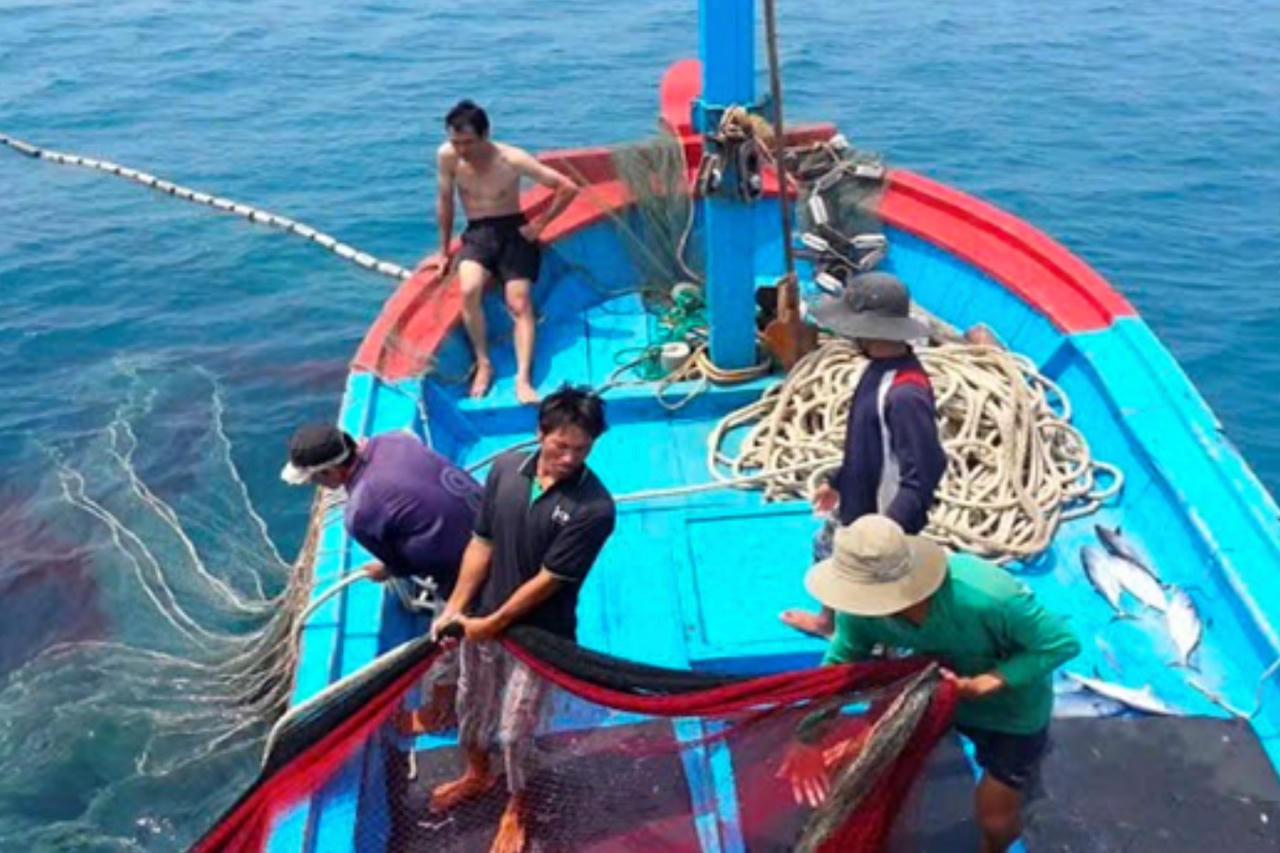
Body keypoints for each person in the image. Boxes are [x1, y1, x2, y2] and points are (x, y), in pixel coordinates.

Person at [779, 514, 1080, 853]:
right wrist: (808, 734)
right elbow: (841, 663)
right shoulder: (858, 609)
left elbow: (1061, 643)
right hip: (932, 695)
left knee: (995, 819)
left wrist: (983, 684)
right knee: (851, 758)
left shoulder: (988, 596)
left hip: (1010, 713)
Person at [429, 385, 616, 853]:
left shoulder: (594, 508)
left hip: (539, 636)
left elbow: (549, 581)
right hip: (481, 621)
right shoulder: (505, 470)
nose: (570, 458)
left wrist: (491, 623)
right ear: (539, 433)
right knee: (471, 709)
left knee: (515, 732)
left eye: (582, 449)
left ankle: (518, 805)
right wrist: (456, 608)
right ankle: (477, 773)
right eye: (561, 445)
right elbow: (482, 543)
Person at [281, 424, 481, 732]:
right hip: (494, 522)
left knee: (444, 641)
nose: (317, 486)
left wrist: (386, 570)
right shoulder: (394, 439)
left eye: (315, 479)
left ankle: (439, 714)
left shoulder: (360, 513)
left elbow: (405, 564)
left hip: (473, 569)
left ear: (331, 472)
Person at [781, 272, 947, 638]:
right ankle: (829, 621)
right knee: (827, 550)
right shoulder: (877, 371)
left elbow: (926, 470)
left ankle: (881, 640)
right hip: (857, 502)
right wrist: (837, 481)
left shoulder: (905, 395)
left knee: (878, 589)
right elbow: (866, 446)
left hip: (885, 518)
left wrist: (888, 531)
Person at [424, 100, 579, 404]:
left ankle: (523, 378)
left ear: (485, 135)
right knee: (469, 289)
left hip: (513, 232)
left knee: (519, 302)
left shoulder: (511, 159)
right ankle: (484, 363)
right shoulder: (447, 156)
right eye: (456, 142)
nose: (462, 149)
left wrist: (539, 225)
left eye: (468, 142)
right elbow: (445, 202)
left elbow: (567, 188)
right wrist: (443, 251)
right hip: (477, 233)